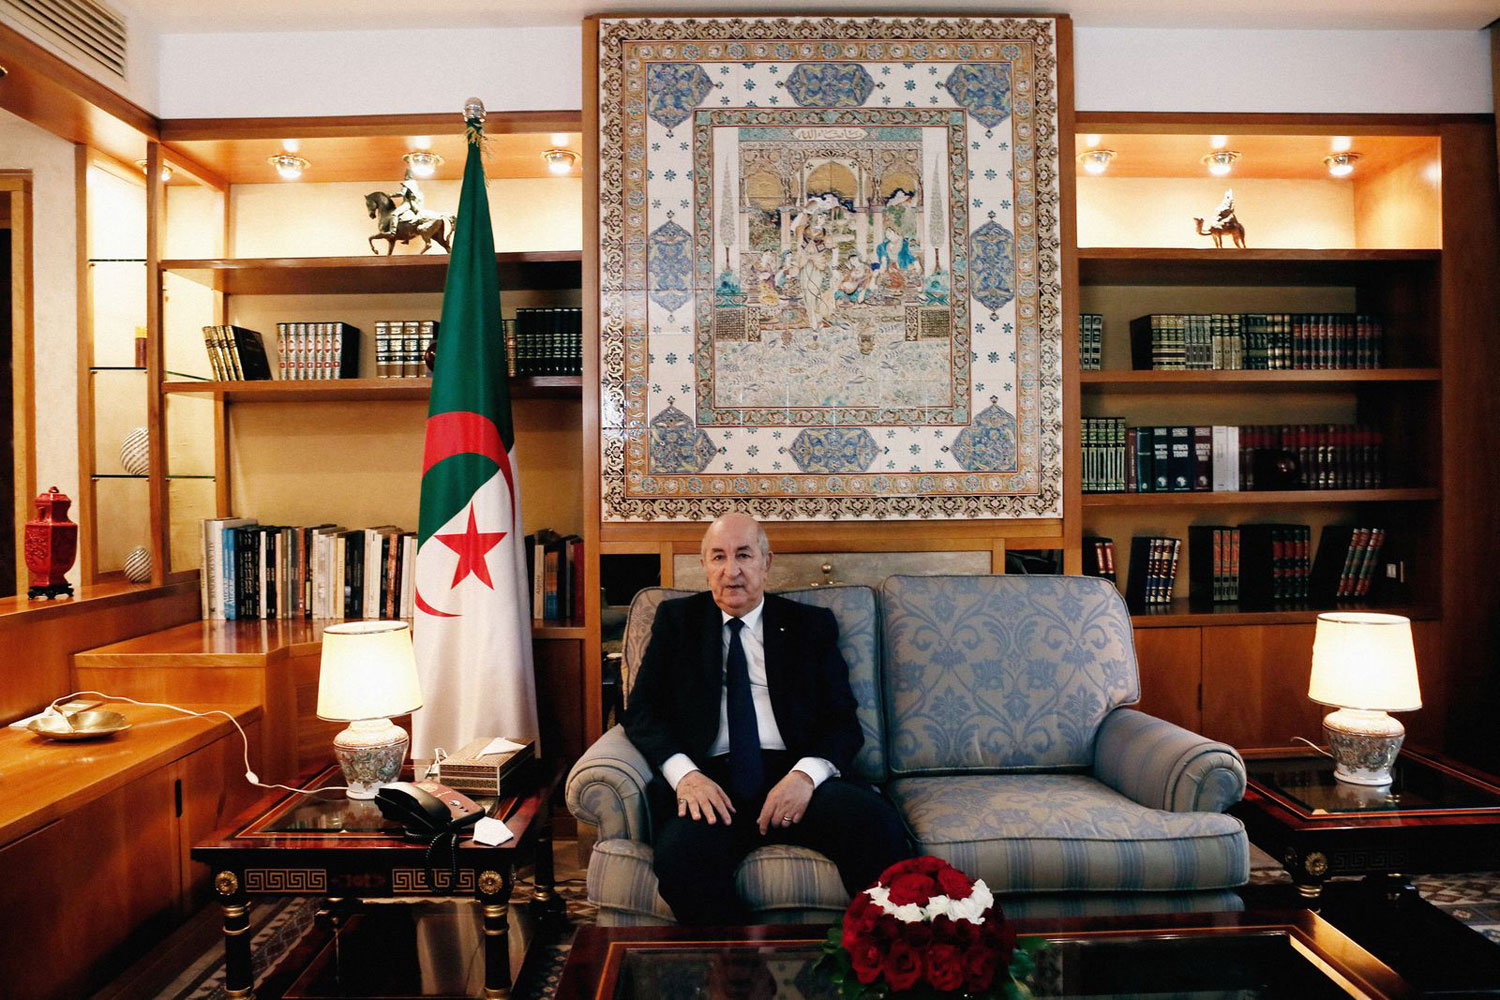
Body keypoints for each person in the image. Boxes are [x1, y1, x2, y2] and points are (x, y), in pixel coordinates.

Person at [625, 512, 911, 924]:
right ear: (704, 565)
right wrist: (685, 776)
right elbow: (642, 711)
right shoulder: (677, 622)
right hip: (711, 779)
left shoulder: (808, 626)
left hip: (791, 774)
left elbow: (842, 721)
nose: (731, 571)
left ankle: (873, 952)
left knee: (875, 825)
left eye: (744, 555)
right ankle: (739, 957)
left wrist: (804, 777)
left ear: (766, 562)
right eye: (719, 557)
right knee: (681, 858)